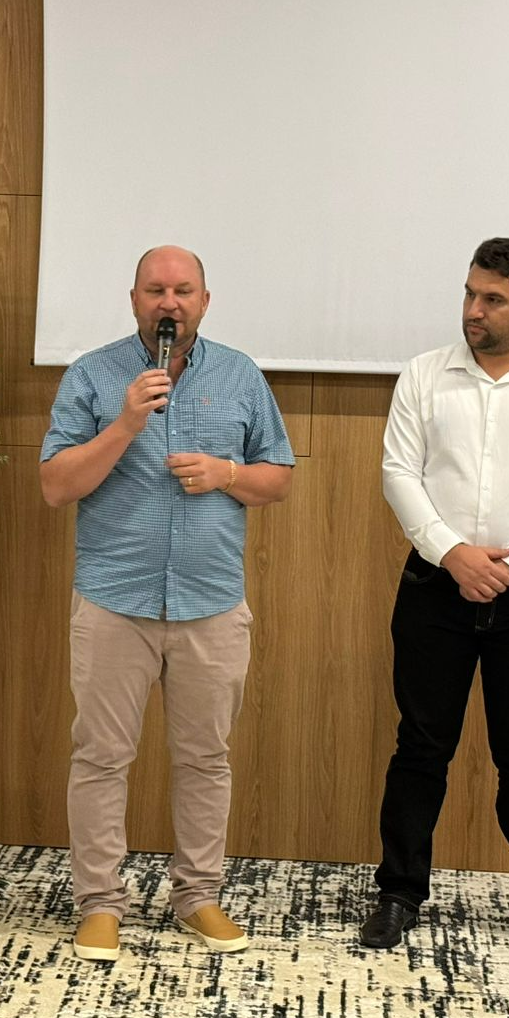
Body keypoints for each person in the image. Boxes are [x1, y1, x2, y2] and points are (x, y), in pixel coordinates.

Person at [40, 245, 295, 963]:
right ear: (134, 300)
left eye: (183, 290)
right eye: (155, 290)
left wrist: (226, 473)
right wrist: (124, 423)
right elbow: (56, 486)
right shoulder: (93, 375)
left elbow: (277, 478)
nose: (169, 303)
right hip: (114, 599)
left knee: (206, 758)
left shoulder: (240, 374)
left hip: (211, 602)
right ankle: (99, 903)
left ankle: (199, 896)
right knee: (100, 757)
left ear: (204, 302)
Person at [359, 237, 509, 965]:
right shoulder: (424, 375)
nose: (474, 309)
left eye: (492, 299)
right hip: (435, 586)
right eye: (470, 293)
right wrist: (453, 553)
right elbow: (399, 472)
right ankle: (400, 892)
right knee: (420, 746)